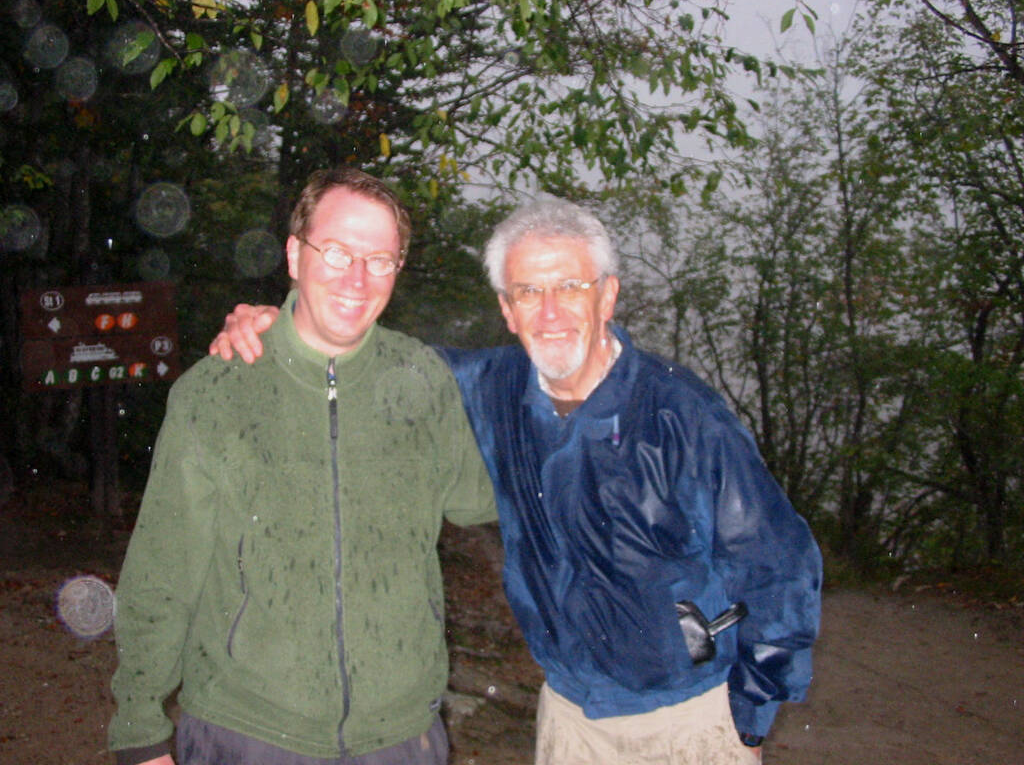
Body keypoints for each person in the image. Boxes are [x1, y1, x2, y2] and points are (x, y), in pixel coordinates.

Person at [212, 197, 822, 765]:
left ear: (607, 296)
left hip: (687, 718)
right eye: (528, 291)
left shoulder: (681, 416)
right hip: (567, 716)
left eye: (570, 287)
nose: (550, 312)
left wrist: (750, 711)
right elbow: (376, 363)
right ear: (506, 310)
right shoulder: (491, 389)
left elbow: (781, 563)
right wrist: (285, 325)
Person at [109, 168, 497, 765]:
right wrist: (139, 729)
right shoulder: (216, 392)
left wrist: (579, 403)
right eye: (337, 251)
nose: (357, 278)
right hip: (244, 732)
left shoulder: (425, 379)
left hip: (400, 739)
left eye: (380, 259)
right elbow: (162, 572)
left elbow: (487, 495)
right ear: (295, 254)